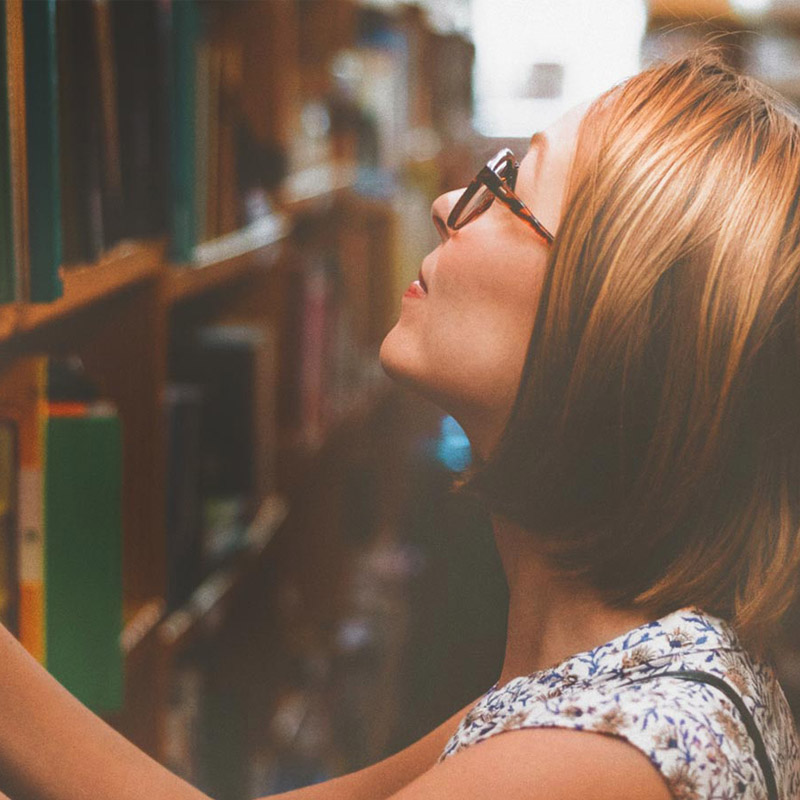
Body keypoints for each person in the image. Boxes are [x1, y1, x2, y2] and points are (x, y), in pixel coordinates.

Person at [0, 46, 799, 800]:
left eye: (509, 191)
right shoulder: (607, 680)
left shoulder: (591, 758)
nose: (448, 205)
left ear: (617, 326)